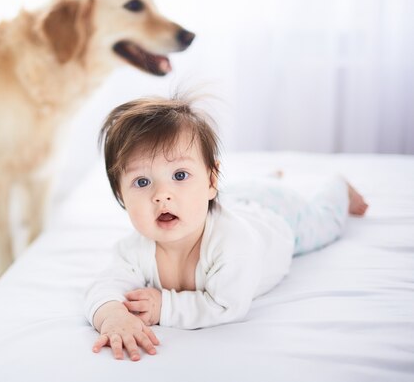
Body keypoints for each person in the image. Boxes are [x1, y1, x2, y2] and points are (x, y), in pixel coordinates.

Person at [85, 95, 368, 361]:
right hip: (232, 198)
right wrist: (111, 314)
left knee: (324, 224)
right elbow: (105, 285)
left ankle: (338, 188)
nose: (162, 195)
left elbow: (226, 306)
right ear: (121, 196)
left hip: (276, 215)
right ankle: (266, 178)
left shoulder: (234, 244)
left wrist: (164, 307)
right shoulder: (134, 249)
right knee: (232, 194)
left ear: (210, 182)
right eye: (142, 182)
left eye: (179, 175)